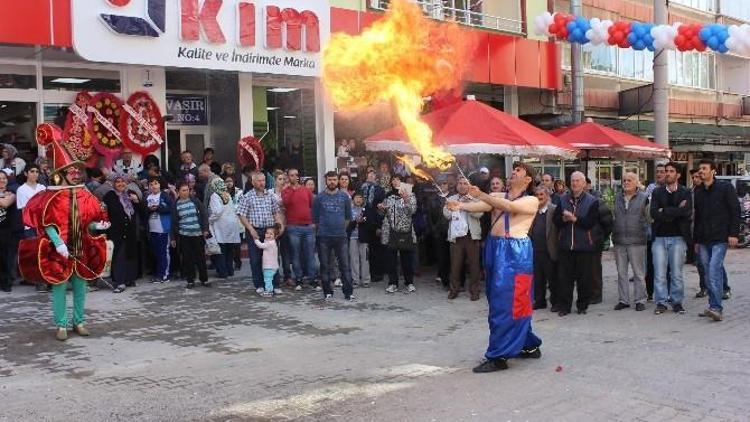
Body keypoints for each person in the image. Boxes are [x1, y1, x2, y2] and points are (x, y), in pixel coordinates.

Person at [447, 162, 542, 373]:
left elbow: (510, 208)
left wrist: (481, 194)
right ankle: (528, 345)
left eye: (518, 171)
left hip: (515, 254)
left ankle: (499, 356)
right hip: (495, 248)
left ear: (527, 180)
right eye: (513, 170)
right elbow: (484, 206)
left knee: (509, 304)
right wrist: (460, 206)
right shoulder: (500, 196)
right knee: (505, 301)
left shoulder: (531, 200)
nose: (513, 173)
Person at [19, 124, 109, 340]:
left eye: (77, 171)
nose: (76, 174)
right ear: (61, 174)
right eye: (71, 171)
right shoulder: (53, 197)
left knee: (80, 286)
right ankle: (61, 324)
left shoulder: (84, 195)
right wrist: (58, 243)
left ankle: (79, 321)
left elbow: (88, 222)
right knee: (59, 288)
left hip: (81, 248)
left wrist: (98, 226)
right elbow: (48, 224)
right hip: (58, 251)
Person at [694, 159, 741, 322]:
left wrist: (734, 234)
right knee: (707, 273)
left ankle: (716, 308)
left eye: (704, 168)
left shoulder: (725, 188)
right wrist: (696, 241)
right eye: (700, 169)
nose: (701, 171)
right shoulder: (698, 191)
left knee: (714, 269)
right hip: (704, 238)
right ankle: (712, 305)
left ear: (713, 171)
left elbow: (735, 211)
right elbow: (697, 218)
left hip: (720, 237)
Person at [553, 171, 600, 316]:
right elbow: (556, 220)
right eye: (573, 181)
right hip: (566, 245)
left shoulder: (592, 201)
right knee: (564, 278)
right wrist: (564, 220)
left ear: (584, 183)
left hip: (584, 245)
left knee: (584, 278)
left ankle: (582, 305)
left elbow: (590, 223)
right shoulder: (562, 199)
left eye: (578, 181)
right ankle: (564, 307)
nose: (574, 183)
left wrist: (574, 219)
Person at [650, 162, 691, 315]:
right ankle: (660, 302)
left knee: (676, 273)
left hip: (678, 237)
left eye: (671, 171)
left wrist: (665, 212)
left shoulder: (685, 192)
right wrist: (676, 210)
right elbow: (654, 213)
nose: (667, 173)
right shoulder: (657, 192)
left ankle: (677, 302)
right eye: (666, 171)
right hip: (659, 237)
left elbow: (686, 213)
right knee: (659, 273)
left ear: (678, 175)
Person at [237, 172, 285, 295]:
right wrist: (250, 229)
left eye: (263, 180)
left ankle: (275, 284)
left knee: (273, 258)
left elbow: (276, 212)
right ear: (253, 182)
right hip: (255, 230)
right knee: (256, 259)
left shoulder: (270, 195)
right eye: (259, 181)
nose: (262, 183)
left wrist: (279, 226)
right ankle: (259, 284)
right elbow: (242, 215)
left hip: (269, 230)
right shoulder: (247, 196)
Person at [312, 171, 354, 300]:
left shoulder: (344, 197)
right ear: (325, 180)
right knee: (325, 265)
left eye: (334, 179)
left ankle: (348, 292)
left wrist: (341, 228)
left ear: (338, 181)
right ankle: (327, 292)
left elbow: (348, 218)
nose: (332, 182)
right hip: (323, 236)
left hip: (341, 236)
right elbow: (315, 219)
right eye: (329, 179)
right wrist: (324, 229)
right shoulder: (319, 198)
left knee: (345, 265)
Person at [612, 172, 649, 312]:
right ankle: (623, 300)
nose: (626, 183)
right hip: (619, 240)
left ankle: (640, 300)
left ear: (636, 182)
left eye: (629, 180)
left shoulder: (644, 198)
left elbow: (649, 218)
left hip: (637, 240)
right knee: (621, 273)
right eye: (624, 180)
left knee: (638, 273)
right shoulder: (617, 197)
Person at [443, 176, 483, 300]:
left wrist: (466, 205)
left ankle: (474, 291)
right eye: (459, 183)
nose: (462, 185)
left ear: (469, 186)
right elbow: (446, 214)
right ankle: (454, 289)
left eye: (465, 183)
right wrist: (453, 207)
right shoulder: (451, 198)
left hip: (472, 236)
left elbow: (479, 213)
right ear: (456, 186)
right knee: (455, 265)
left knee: (474, 265)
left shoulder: (475, 199)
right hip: (456, 237)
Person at [102, 173, 140, 293]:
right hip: (116, 231)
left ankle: (129, 279)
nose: (120, 184)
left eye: (123, 182)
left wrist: (137, 201)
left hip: (130, 231)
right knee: (119, 255)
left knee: (130, 254)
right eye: (118, 182)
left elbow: (139, 211)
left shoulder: (130, 195)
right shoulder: (110, 195)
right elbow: (113, 210)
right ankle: (119, 282)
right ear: (114, 183)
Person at [379, 175, 417, 294]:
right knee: (391, 259)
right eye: (393, 180)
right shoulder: (388, 195)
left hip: (405, 231)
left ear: (402, 182)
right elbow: (383, 213)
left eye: (398, 179)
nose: (395, 182)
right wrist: (381, 208)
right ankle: (393, 283)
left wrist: (405, 199)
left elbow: (413, 210)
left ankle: (409, 282)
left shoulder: (410, 194)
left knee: (407, 259)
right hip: (390, 231)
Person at [282, 168, 318, 290]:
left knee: (310, 254)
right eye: (292, 175)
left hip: (308, 227)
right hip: (293, 227)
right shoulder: (286, 191)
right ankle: (298, 279)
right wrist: (292, 189)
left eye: (296, 175)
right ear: (288, 177)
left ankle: (313, 279)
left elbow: (313, 206)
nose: (295, 177)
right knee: (296, 255)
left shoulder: (306, 190)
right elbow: (286, 203)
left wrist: (314, 222)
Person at [170, 181, 210, 289]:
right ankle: (190, 280)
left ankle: (204, 279)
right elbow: (173, 222)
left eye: (187, 190)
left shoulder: (195, 201)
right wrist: (173, 238)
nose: (186, 192)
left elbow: (204, 214)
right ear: (178, 192)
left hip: (197, 233)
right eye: (183, 190)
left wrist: (205, 229)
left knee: (200, 257)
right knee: (187, 259)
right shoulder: (175, 205)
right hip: (184, 235)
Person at [15, 164, 47, 292]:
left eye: (37, 172)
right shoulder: (21, 190)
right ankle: (38, 281)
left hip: (43, 225)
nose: (35, 174)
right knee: (35, 253)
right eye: (32, 171)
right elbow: (25, 209)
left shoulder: (42, 187)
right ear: (26, 174)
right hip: (30, 225)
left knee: (45, 252)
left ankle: (45, 278)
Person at [529, 186, 559, 310]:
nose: (539, 197)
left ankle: (555, 302)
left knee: (552, 279)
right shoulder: (533, 210)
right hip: (536, 249)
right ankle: (540, 301)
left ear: (547, 196)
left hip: (549, 250)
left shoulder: (554, 210)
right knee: (538, 278)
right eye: (537, 195)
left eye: (542, 194)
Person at [208, 178, 240, 279]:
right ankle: (230, 270)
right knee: (229, 249)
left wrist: (209, 220)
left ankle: (222, 272)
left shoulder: (215, 195)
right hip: (232, 224)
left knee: (221, 249)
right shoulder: (227, 194)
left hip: (221, 225)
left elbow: (217, 211)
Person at [645, 163, 667, 301]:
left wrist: (662, 211)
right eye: (657, 171)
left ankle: (666, 292)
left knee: (666, 265)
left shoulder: (671, 189)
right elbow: (647, 208)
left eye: (662, 171)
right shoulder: (650, 188)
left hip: (666, 231)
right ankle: (649, 293)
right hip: (650, 231)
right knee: (650, 264)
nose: (659, 174)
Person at [144, 177, 172, 283]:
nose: (153, 186)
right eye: (151, 184)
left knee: (163, 252)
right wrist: (149, 210)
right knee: (156, 253)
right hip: (152, 229)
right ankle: (158, 273)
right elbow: (144, 210)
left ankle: (165, 275)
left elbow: (170, 208)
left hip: (163, 228)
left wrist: (158, 208)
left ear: (160, 185)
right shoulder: (147, 196)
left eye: (156, 183)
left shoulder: (164, 195)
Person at [426, 178, 451, 289]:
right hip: (439, 232)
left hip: (452, 231)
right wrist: (434, 230)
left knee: (452, 255)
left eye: (444, 183)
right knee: (441, 256)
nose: (442, 185)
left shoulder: (453, 197)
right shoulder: (432, 200)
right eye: (440, 184)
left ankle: (453, 278)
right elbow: (429, 217)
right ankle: (444, 278)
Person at [348, 192, 370, 287]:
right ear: (353, 199)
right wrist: (355, 221)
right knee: (354, 259)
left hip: (364, 238)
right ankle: (355, 280)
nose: (358, 199)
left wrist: (364, 221)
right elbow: (347, 226)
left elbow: (371, 224)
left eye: (360, 198)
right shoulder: (349, 211)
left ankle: (365, 280)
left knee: (365, 260)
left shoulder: (366, 210)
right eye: (356, 197)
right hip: (352, 237)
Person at [0, 170, 16, 292]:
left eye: (4, 178)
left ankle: (6, 282)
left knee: (6, 257)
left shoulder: (11, 192)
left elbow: (5, 203)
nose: (2, 180)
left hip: (6, 230)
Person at [253, 226, 279, 297]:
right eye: (267, 233)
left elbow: (261, 245)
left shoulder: (270, 243)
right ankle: (270, 290)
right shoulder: (270, 242)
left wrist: (255, 240)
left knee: (267, 279)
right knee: (269, 279)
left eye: (271, 234)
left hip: (269, 266)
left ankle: (269, 291)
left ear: (275, 236)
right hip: (272, 266)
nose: (268, 235)